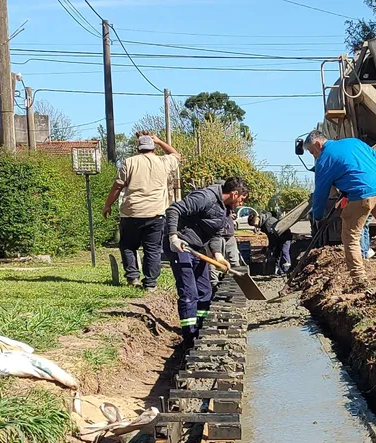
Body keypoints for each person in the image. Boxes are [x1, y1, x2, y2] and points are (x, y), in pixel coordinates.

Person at [303, 130, 376, 288]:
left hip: (361, 194)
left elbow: (320, 192)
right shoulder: (353, 142)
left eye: (312, 152)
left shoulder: (324, 159)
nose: (314, 156)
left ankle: (359, 278)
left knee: (350, 237)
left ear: (318, 144)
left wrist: (317, 216)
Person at [165, 177, 249, 348]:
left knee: (205, 290)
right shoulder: (205, 197)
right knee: (189, 292)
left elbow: (216, 234)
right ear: (234, 194)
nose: (241, 203)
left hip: (198, 248)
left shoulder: (225, 209)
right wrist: (173, 237)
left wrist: (218, 256)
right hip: (181, 244)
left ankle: (200, 329)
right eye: (242, 199)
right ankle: (189, 337)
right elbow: (173, 209)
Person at [103, 132, 181, 290]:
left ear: (138, 148)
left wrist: (108, 204)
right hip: (156, 213)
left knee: (128, 246)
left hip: (131, 212)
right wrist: (159, 141)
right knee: (152, 249)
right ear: (153, 148)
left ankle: (133, 277)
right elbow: (176, 154)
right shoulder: (163, 162)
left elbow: (118, 186)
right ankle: (150, 283)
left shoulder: (129, 162)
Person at [250, 210, 292, 275]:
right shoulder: (264, 223)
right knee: (276, 253)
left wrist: (270, 247)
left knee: (285, 252)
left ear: (257, 219)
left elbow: (272, 237)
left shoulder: (267, 223)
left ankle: (287, 270)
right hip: (279, 237)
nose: (255, 226)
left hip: (285, 236)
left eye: (254, 224)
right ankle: (279, 270)